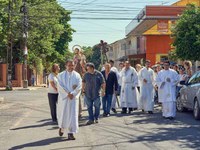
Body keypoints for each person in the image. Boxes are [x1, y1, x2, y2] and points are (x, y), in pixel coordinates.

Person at [57, 60, 82, 140]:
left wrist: (73, 93)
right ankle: (62, 128)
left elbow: (79, 86)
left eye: (72, 65)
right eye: (69, 65)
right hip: (64, 99)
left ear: (74, 66)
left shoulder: (77, 75)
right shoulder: (60, 75)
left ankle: (71, 133)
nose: (71, 67)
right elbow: (59, 86)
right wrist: (67, 94)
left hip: (73, 99)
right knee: (63, 115)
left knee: (72, 116)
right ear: (66, 66)